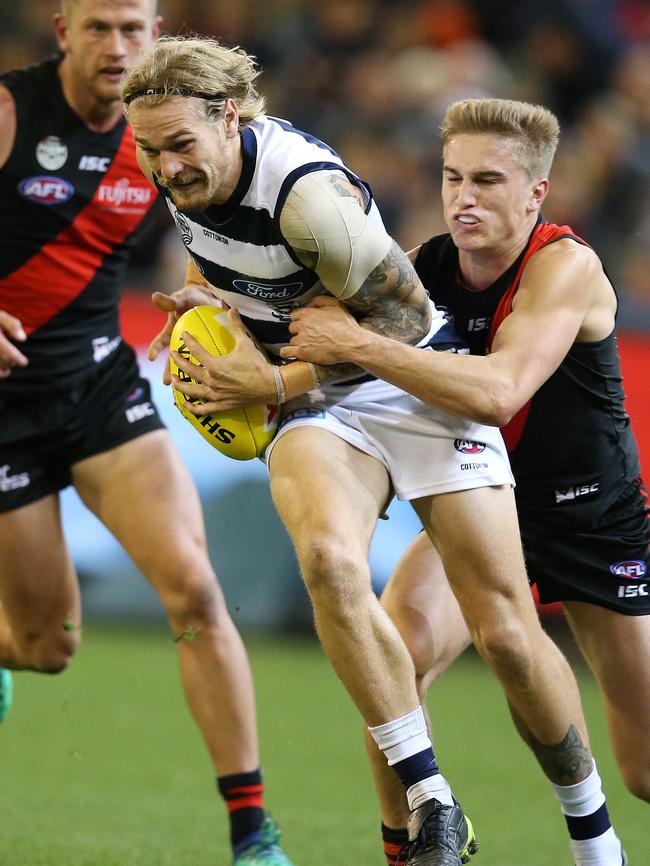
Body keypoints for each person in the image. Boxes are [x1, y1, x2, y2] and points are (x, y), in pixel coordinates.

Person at [122, 39, 624, 866]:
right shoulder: (183, 166)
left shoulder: (308, 199)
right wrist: (213, 302)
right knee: (327, 558)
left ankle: (593, 838)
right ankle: (431, 799)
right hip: (316, 399)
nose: (166, 166)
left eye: (180, 146)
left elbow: (400, 321)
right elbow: (249, 268)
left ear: (229, 116)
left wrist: (278, 381)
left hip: (408, 382)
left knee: (503, 630)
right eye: (148, 149)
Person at [284, 97, 646, 866]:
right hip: (482, 503)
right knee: (394, 657)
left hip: (589, 519)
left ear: (535, 194)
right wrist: (247, 368)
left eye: (487, 180)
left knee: (645, 769)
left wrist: (357, 343)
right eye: (452, 177)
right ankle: (415, 847)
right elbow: (334, 360)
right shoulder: (425, 266)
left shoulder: (567, 266)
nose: (463, 197)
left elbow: (498, 392)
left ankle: (601, 836)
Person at [0, 3, 297, 865]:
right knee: (46, 647)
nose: (118, 47)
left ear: (156, 29)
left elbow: (218, 230)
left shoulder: (161, 130)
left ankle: (253, 836)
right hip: (7, 412)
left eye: (134, 28)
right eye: (98, 27)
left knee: (197, 595)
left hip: (101, 391)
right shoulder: (14, 115)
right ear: (62, 30)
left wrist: (211, 293)